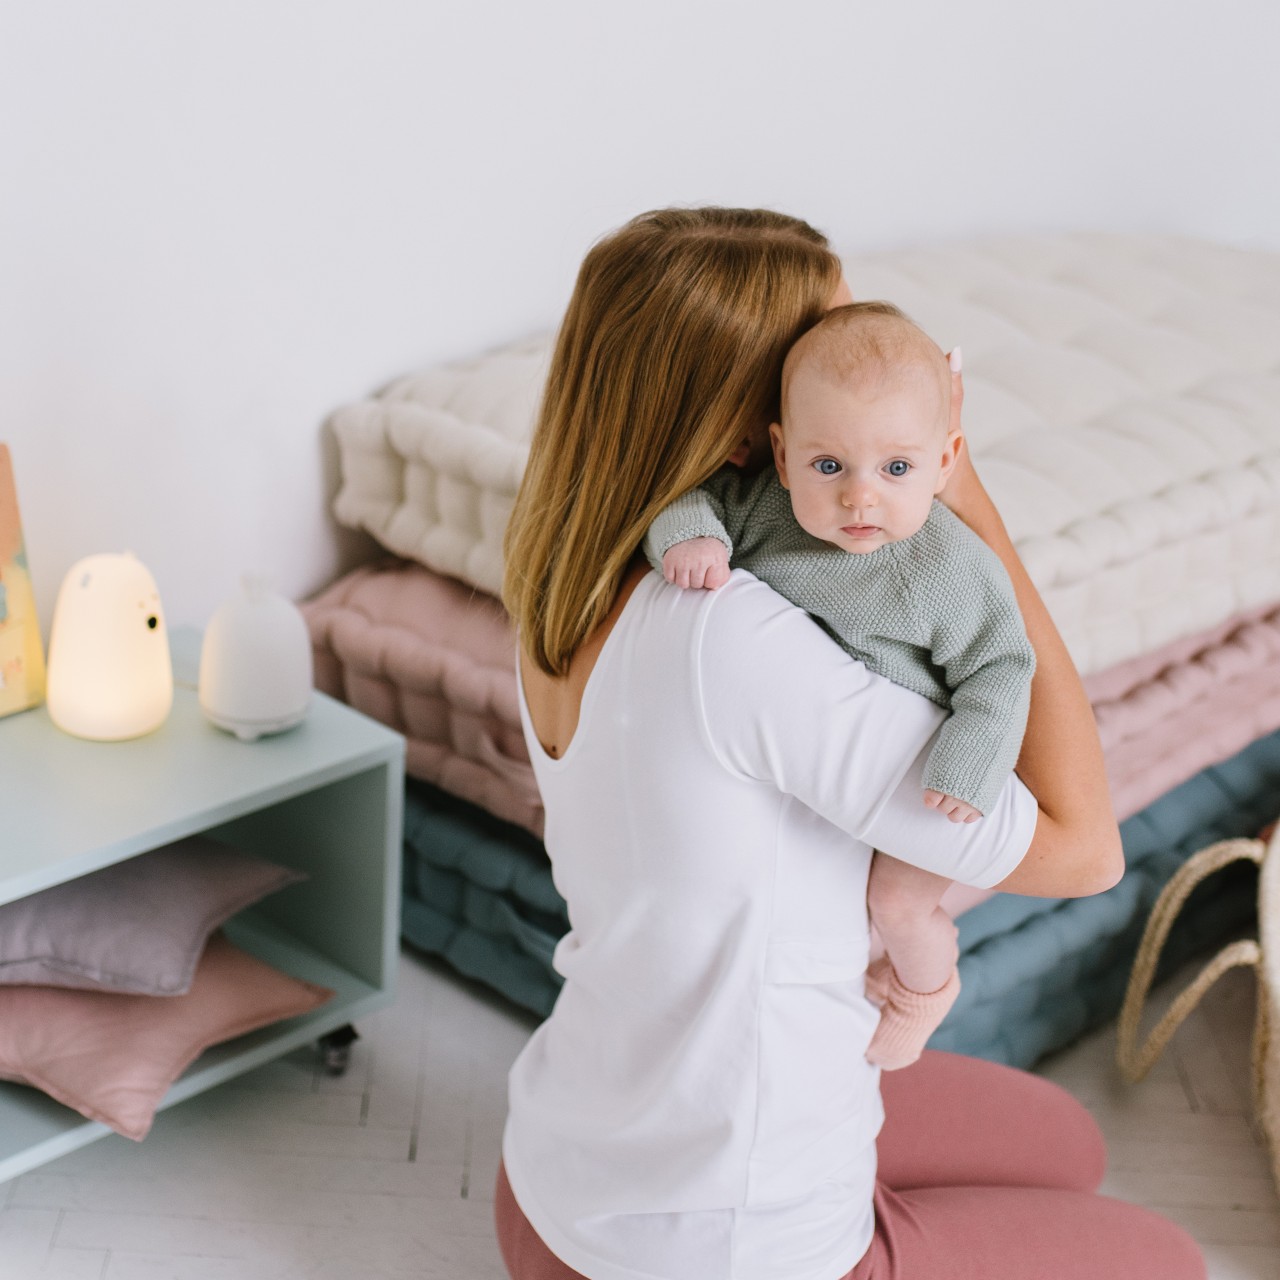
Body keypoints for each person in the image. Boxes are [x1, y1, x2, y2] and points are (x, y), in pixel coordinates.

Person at [497, 206, 1205, 1280]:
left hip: (562, 1180)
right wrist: (954, 491)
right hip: (726, 1248)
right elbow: (1082, 846)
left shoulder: (563, 565)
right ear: (762, 434)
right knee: (1167, 1259)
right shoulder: (728, 639)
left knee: (1066, 1141)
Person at [643, 300, 1037, 1070]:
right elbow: (696, 502)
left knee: (896, 903)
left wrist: (968, 763)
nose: (861, 496)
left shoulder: (949, 570)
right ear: (784, 457)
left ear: (945, 461)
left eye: (897, 469)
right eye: (830, 467)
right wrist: (690, 538)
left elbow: (1002, 665)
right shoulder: (768, 511)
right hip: (824, 769)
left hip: (931, 780)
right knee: (821, 901)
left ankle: (927, 992)